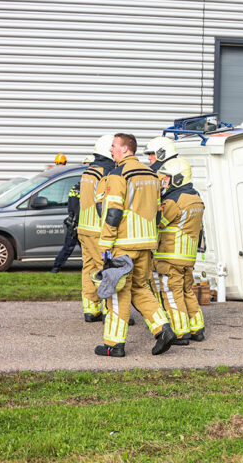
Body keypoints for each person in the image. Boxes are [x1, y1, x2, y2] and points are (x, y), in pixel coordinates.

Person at [94, 133, 176, 357]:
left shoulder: (117, 174)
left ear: (125, 149)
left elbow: (112, 212)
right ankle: (163, 329)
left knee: (117, 294)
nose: (111, 151)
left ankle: (114, 345)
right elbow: (158, 211)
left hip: (123, 244)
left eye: (113, 147)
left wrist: (105, 243)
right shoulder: (152, 174)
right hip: (146, 244)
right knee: (141, 288)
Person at [153, 158, 206, 344]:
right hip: (187, 256)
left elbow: (159, 223)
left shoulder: (173, 201)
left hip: (170, 256)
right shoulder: (196, 198)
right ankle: (197, 328)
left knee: (171, 293)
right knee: (186, 291)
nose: (164, 182)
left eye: (167, 179)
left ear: (177, 179)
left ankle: (181, 331)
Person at [76, 135, 115, 322]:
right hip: (97, 230)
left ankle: (91, 309)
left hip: (83, 227)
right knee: (105, 269)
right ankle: (110, 310)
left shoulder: (89, 171)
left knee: (89, 267)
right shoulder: (106, 173)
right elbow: (104, 203)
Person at [50, 183, 79, 273]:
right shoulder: (82, 188)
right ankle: (56, 268)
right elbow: (77, 207)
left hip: (74, 221)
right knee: (70, 247)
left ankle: (56, 267)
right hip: (78, 222)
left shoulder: (75, 187)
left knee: (68, 247)